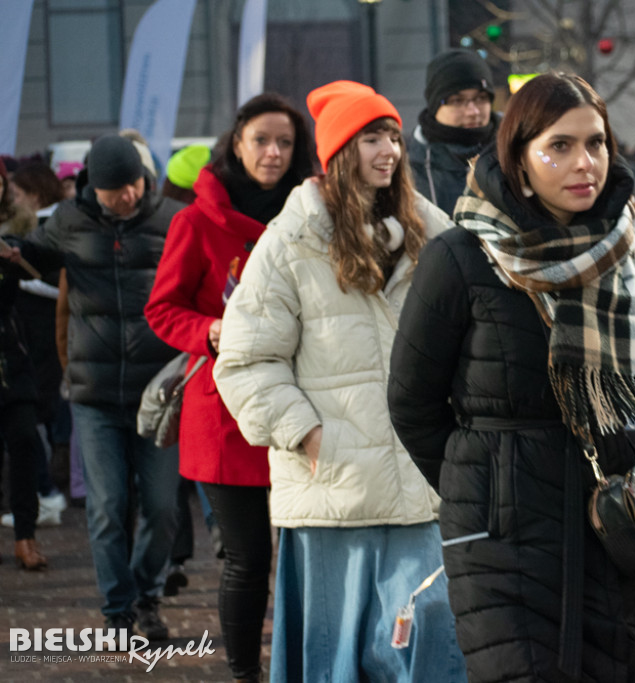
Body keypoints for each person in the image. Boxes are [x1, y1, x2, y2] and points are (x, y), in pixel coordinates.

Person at [389, 72, 635, 682]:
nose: (585, 163)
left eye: (595, 143)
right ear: (519, 160)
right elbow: (412, 401)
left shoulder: (630, 251)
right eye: (560, 146)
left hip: (607, 517)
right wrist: (486, 479)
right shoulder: (462, 257)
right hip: (500, 529)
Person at [213, 81, 462, 683]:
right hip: (334, 490)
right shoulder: (290, 241)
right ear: (339, 150)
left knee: (428, 642)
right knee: (335, 661)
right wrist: (310, 435)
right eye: (372, 138)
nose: (390, 152)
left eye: (395, 138)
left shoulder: (437, 234)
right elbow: (246, 362)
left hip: (420, 477)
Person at [146, 92, 315, 682]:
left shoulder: (313, 216)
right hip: (224, 415)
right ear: (235, 144)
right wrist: (213, 329)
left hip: (307, 408)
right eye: (261, 140)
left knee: (308, 557)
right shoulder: (194, 221)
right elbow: (162, 309)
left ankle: (308, 665)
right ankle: (246, 673)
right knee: (247, 558)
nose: (273, 152)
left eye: (285, 143)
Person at [1, 135, 183, 638]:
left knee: (163, 507)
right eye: (112, 190)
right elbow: (34, 255)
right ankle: (118, 609)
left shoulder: (169, 219)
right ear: (91, 189)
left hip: (158, 393)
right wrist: (13, 253)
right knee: (105, 509)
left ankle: (148, 592)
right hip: (94, 393)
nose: (125, 196)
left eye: (132, 185)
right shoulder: (69, 219)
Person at [0, 158, 46, 570]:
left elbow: (44, 264)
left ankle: (26, 536)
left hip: (14, 359)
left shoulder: (19, 230)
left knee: (26, 443)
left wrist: (16, 256)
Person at [407, 49, 499, 215]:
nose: (473, 111)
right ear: (435, 106)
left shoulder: (516, 151)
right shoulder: (408, 164)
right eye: (457, 100)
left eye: (481, 98)